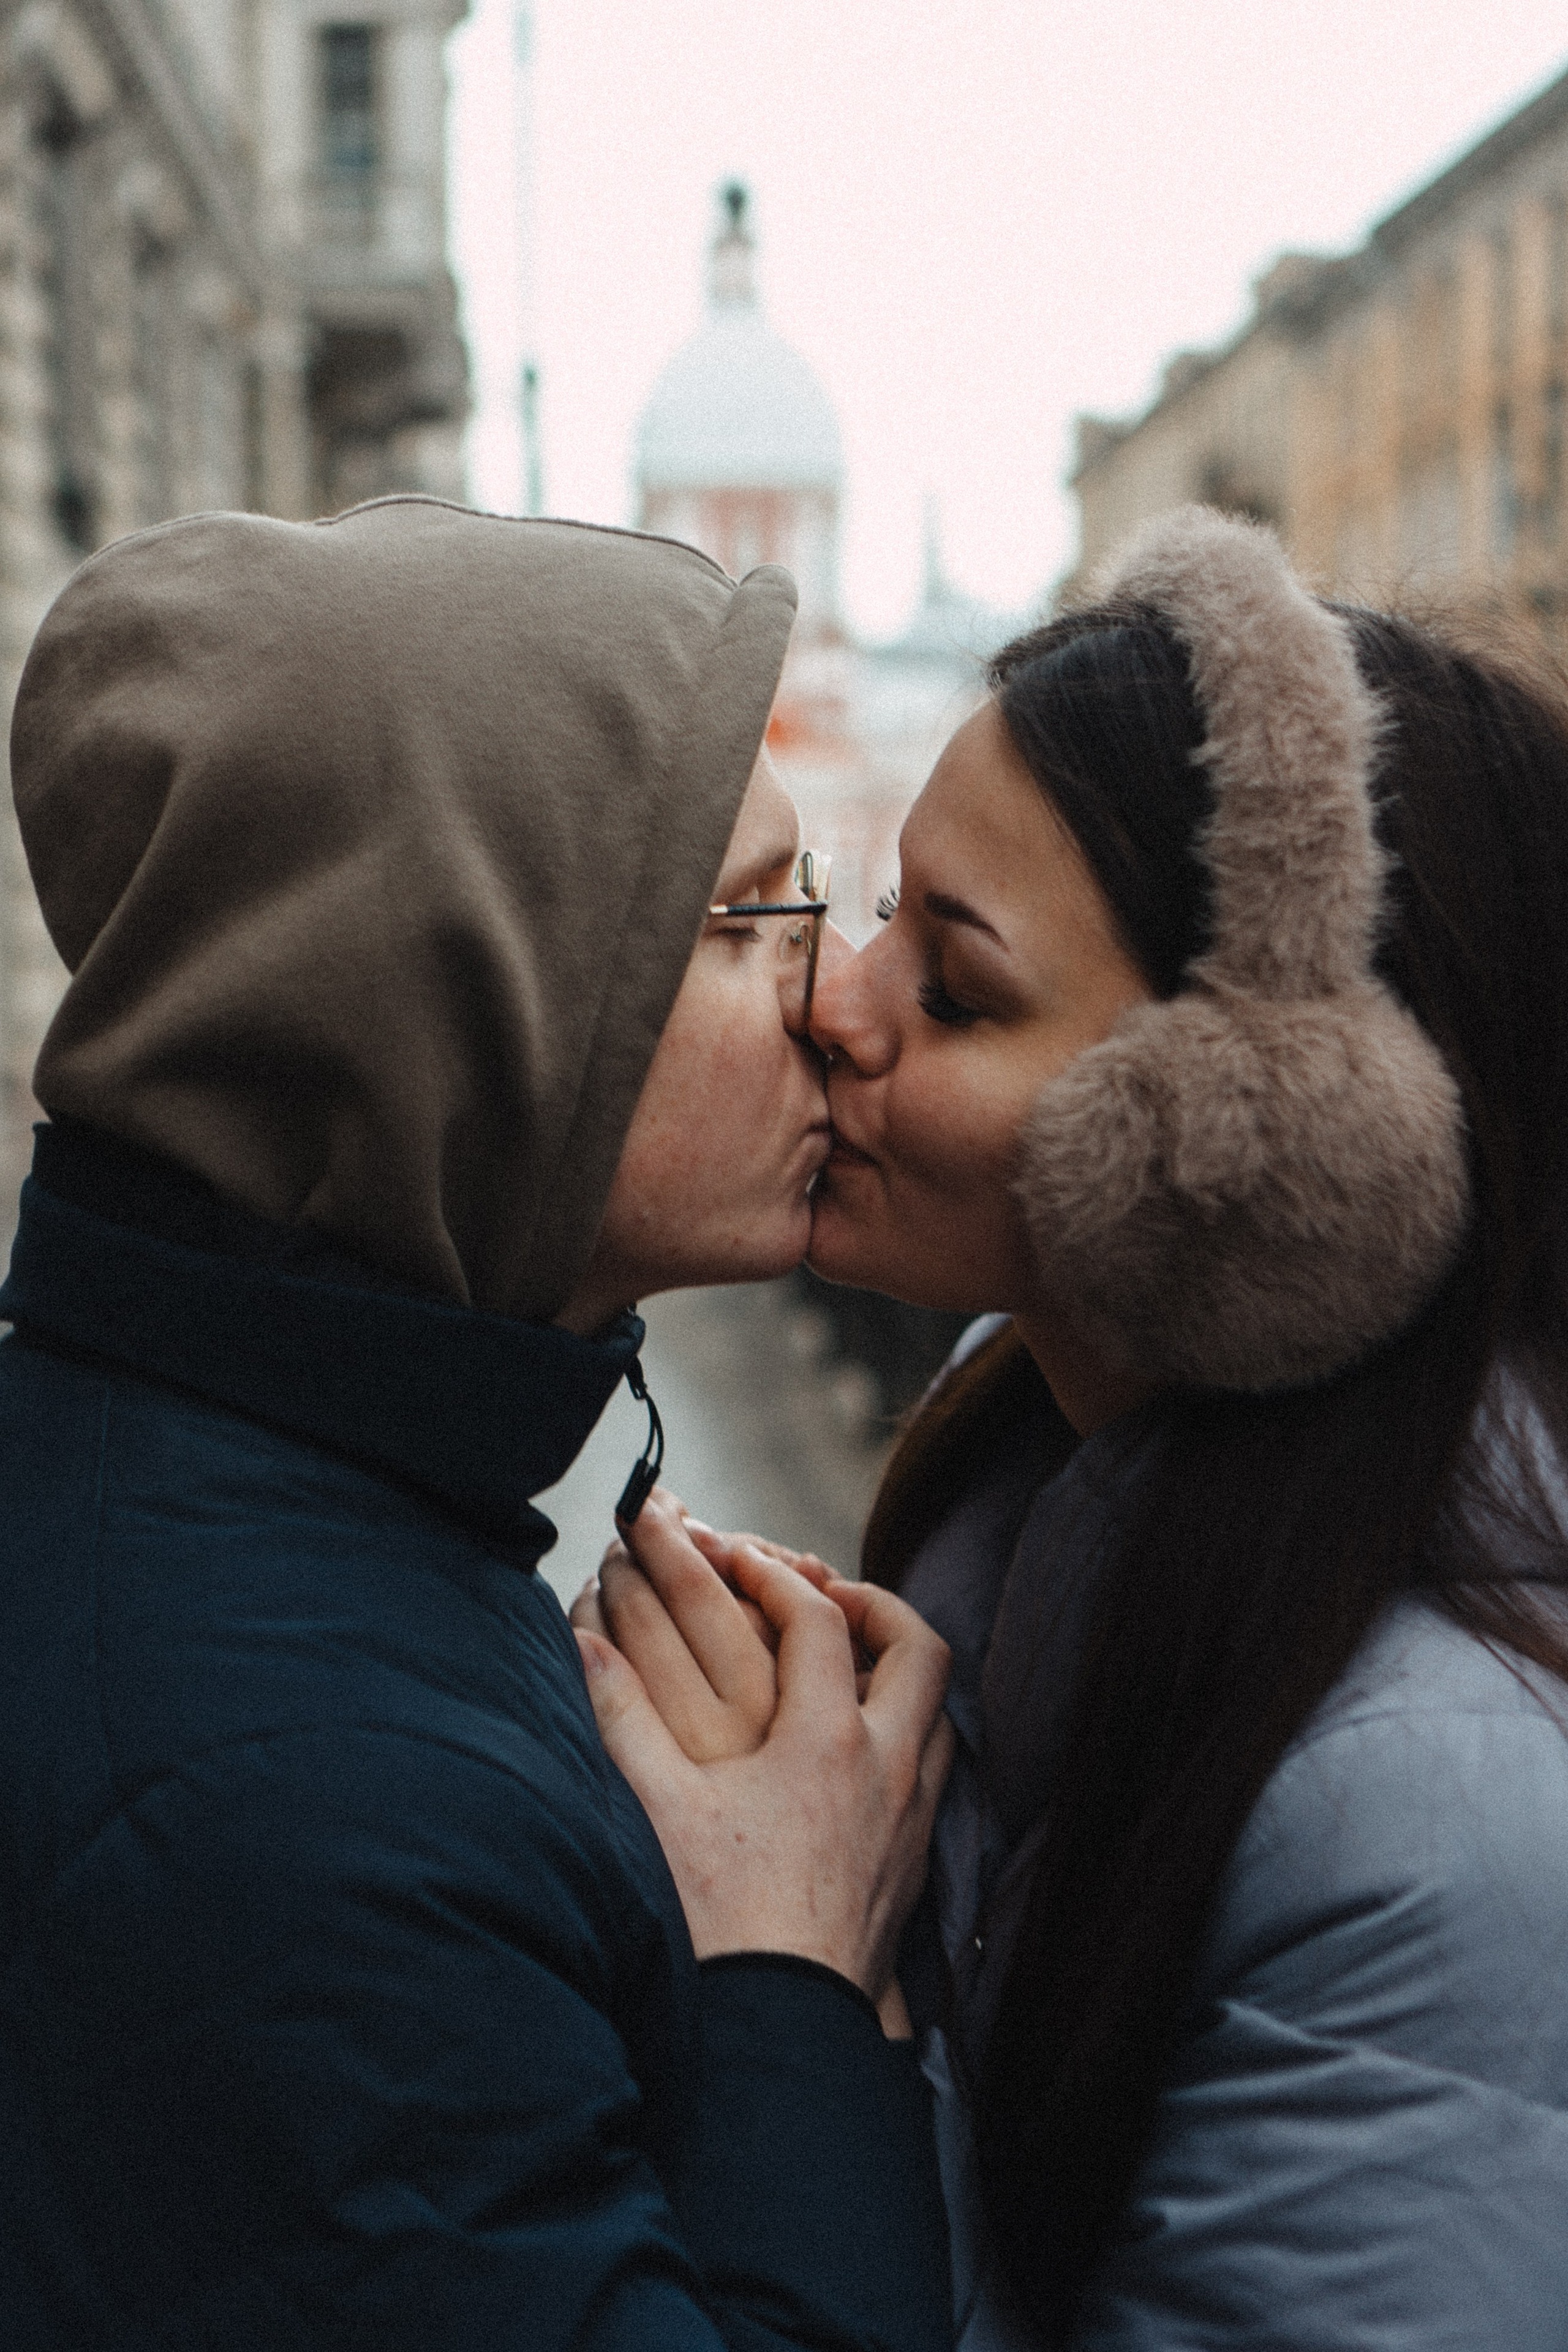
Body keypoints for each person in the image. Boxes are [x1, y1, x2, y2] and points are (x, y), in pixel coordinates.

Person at [583, 508, 1568, 2350]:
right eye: (879, 913)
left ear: (1270, 1158)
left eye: (953, 984)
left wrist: (795, 1986)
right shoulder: (1043, 1544)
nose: (832, 1004)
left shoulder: (1446, 1836)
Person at [0, 495, 956, 2351]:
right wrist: (790, 1967)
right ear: (480, 998)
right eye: (754, 915)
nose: (835, 1001)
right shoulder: (292, 1803)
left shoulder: (267, 1488)